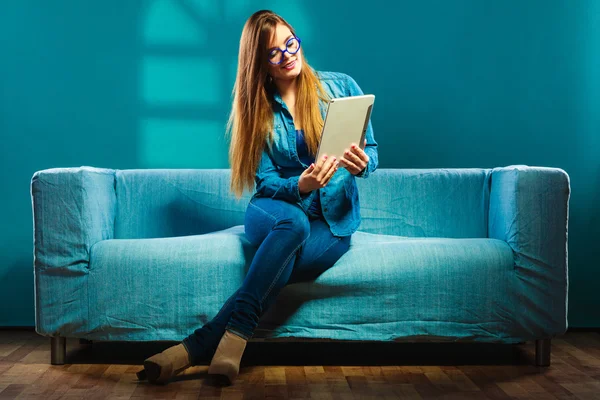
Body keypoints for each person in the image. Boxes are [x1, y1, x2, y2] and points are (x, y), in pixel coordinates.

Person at [138, 9, 378, 385]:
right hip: (274, 211)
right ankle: (234, 341)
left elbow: (373, 153)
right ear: (261, 64)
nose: (288, 54)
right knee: (293, 221)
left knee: (282, 259)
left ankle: (196, 347)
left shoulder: (341, 87)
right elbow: (264, 182)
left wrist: (362, 163)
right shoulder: (258, 108)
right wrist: (301, 186)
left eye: (290, 42)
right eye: (275, 53)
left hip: (332, 225)